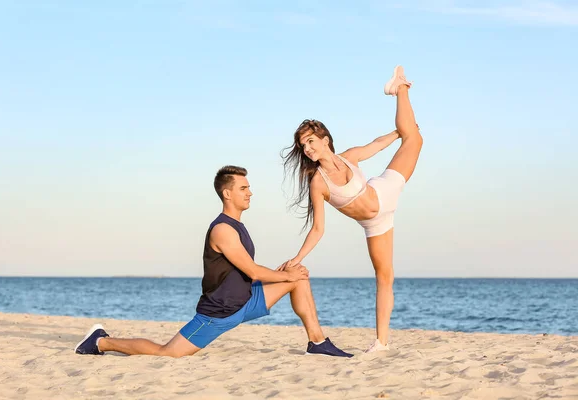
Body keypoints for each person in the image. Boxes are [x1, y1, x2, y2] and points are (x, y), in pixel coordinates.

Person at [75, 165, 352, 358]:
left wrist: (288, 273)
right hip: (219, 313)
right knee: (167, 353)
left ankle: (317, 342)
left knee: (298, 277)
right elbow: (252, 270)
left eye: (249, 187)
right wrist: (285, 275)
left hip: (246, 301)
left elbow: (247, 273)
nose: (250, 192)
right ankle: (100, 341)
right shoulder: (223, 230)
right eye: (244, 188)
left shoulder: (238, 226)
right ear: (227, 193)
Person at [280, 66, 423, 353]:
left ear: (324, 139)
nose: (307, 149)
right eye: (302, 145)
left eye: (310, 141)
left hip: (384, 190)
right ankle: (381, 343)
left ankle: (400, 86)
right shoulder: (318, 184)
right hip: (376, 223)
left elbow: (376, 145)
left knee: (414, 137)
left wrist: (399, 132)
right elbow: (318, 229)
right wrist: (298, 257)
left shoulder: (349, 158)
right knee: (384, 277)